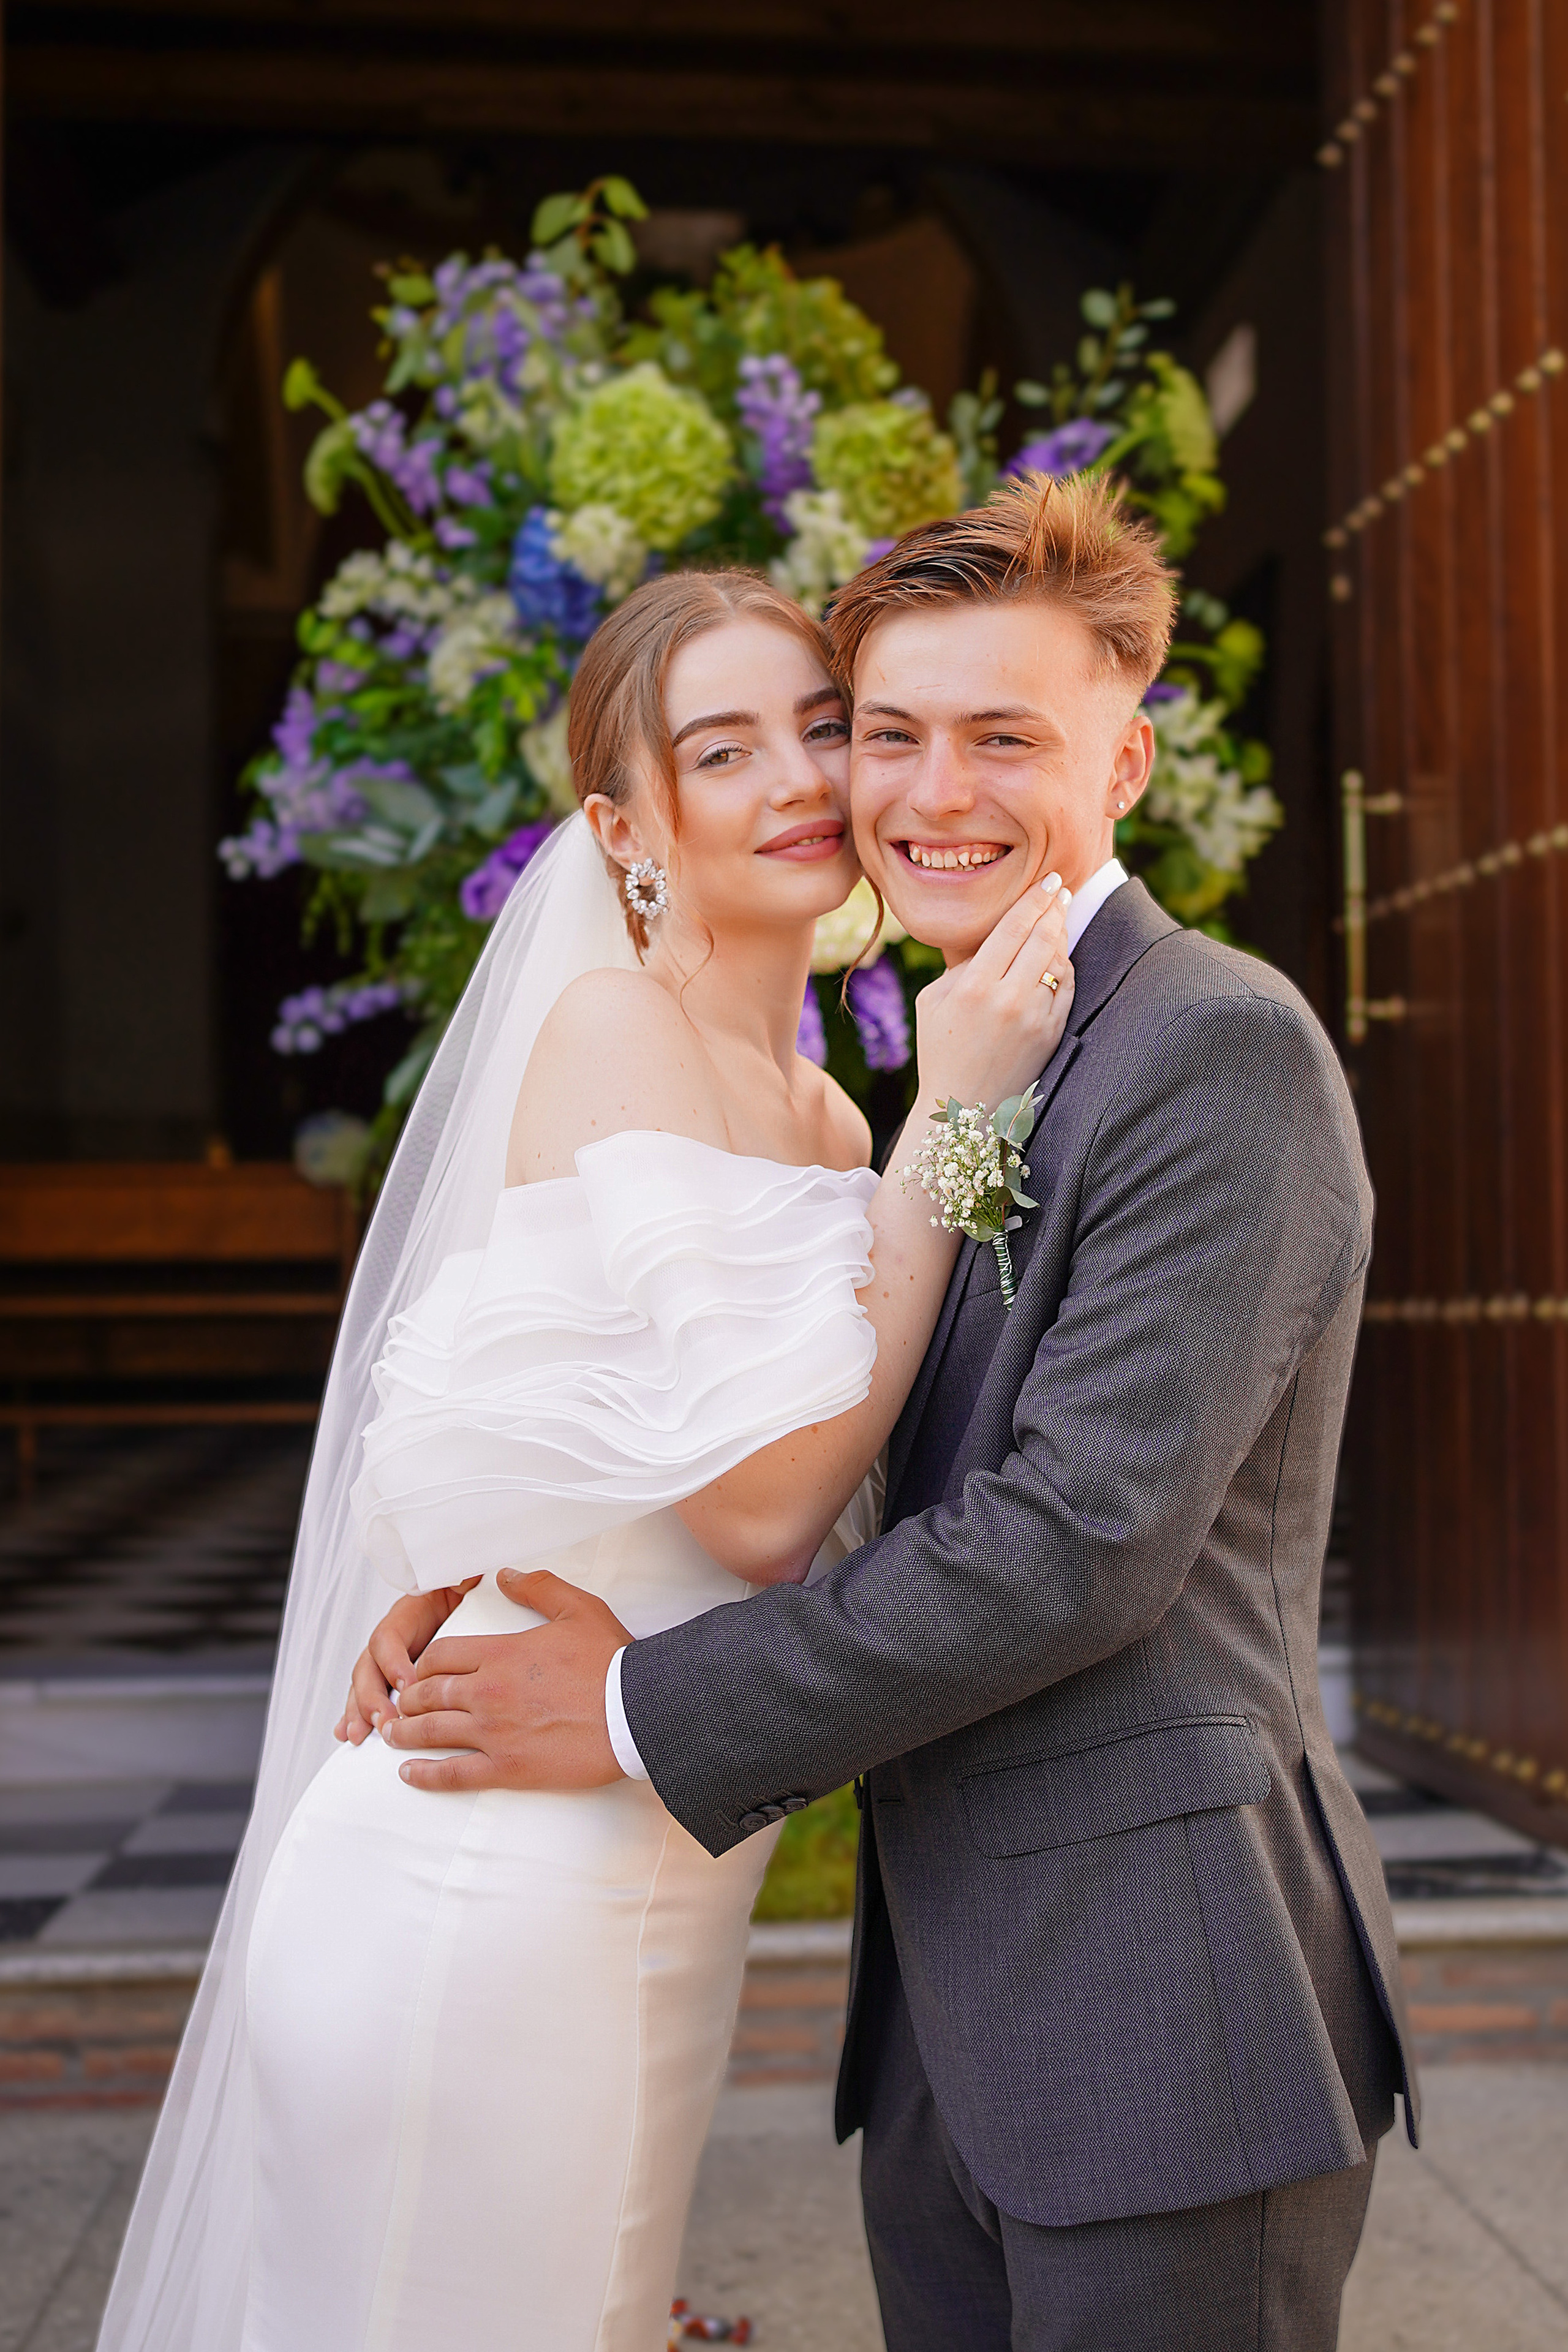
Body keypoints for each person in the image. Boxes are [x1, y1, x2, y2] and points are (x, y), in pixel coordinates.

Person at [374, 474, 1420, 2352]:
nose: (933, 793)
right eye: (891, 735)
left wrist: (622, 1705)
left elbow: (1069, 1553)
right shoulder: (971, 1056)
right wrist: (514, 1582)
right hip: (954, 2022)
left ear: (1127, 763)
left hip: (1159, 2013)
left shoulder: (1214, 1045)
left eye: (1005, 737)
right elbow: (843, 1468)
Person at [94, 563, 1072, 2352]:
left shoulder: (823, 1113)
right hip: (495, 1881)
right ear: (627, 826)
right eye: (724, 749)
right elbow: (765, 1513)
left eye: (822, 726)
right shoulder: (628, 1035)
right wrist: (961, 1115)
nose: (795, 777)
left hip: (648, 1860)